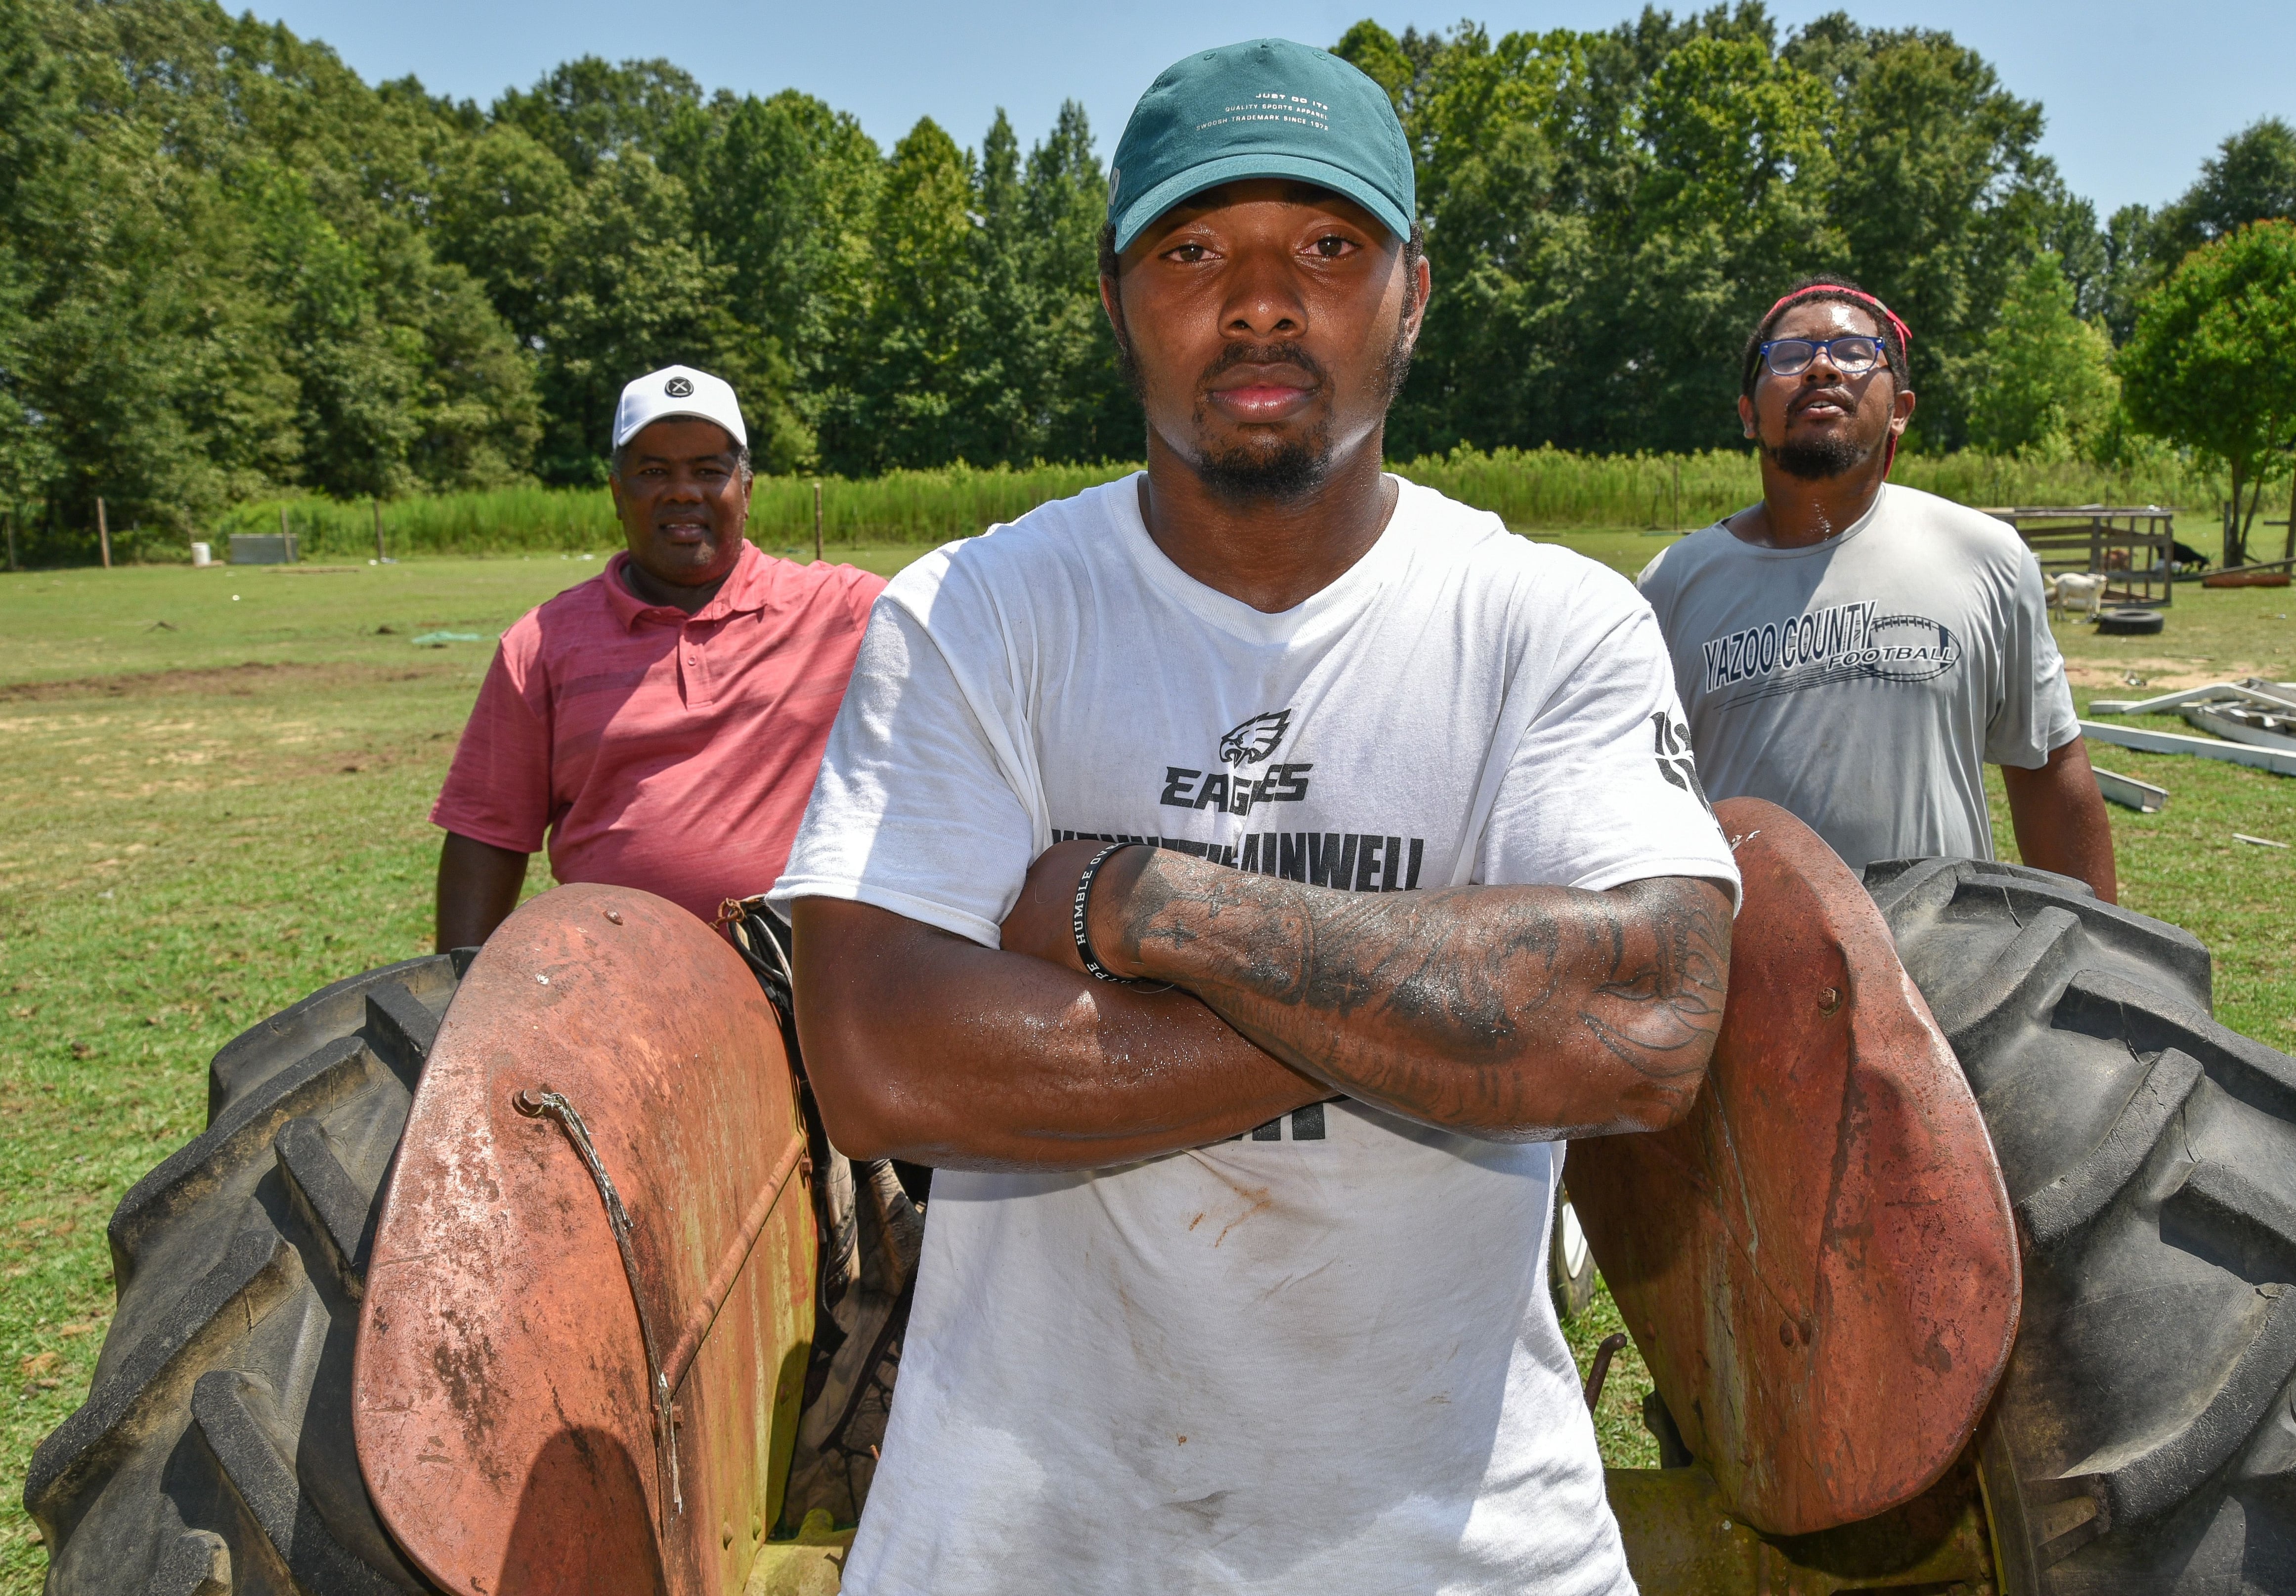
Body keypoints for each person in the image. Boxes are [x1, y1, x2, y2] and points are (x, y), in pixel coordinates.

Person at [773, 37, 1736, 1596]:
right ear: (1116, 296)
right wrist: (1454, 1018)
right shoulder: (973, 614)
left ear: (1411, 293)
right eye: (1195, 247)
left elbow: (1638, 1017)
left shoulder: (1549, 621)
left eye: (1328, 248)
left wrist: (1151, 911)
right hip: (1027, 1538)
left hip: (1468, 1544)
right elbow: (881, 1054)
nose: (1262, 299)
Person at [1638, 279, 2119, 899]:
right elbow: (1641, 800)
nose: (1819, 367)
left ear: (1900, 409)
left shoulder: (1984, 556)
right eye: (1787, 356)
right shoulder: (1669, 585)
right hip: (1745, 964)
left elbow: (2048, 768)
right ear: (1747, 414)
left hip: (1942, 963)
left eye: (1854, 352)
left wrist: (2099, 965)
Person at [430, 365, 884, 949]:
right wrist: (455, 992)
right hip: (620, 979)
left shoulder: (845, 610)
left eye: (707, 471)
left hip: (805, 975)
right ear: (618, 494)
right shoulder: (541, 643)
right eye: (653, 471)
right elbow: (487, 833)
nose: (682, 491)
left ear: (745, 491)